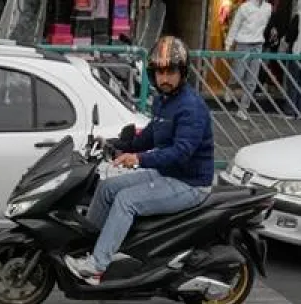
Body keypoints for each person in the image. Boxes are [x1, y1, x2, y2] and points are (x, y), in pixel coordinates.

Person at [64, 36, 213, 286]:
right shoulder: (163, 102)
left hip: (189, 182)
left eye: (171, 72)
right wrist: (116, 144)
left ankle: (96, 268)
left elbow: (181, 152)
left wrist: (139, 159)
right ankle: (89, 248)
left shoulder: (190, 107)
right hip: (168, 173)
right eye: (159, 72)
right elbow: (151, 136)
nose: (164, 79)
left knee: (126, 201)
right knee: (106, 188)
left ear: (182, 72)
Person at [226, 0, 271, 119]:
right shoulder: (245, 7)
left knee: (252, 80)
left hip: (258, 45)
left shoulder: (268, 8)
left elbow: (265, 25)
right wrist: (228, 43)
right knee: (238, 74)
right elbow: (235, 25)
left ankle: (243, 109)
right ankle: (230, 87)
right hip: (243, 43)